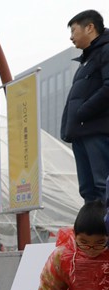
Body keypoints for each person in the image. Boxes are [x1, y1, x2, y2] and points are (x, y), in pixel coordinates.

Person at [61, 10, 109, 203]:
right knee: (88, 191)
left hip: (97, 131)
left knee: (102, 186)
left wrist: (83, 112)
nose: (71, 37)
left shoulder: (106, 50)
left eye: (73, 30)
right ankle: (95, 231)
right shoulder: (86, 61)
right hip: (81, 132)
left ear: (90, 27)